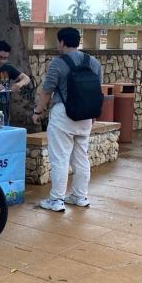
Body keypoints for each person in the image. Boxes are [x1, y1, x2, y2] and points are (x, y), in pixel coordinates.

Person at [32, 27, 102, 212]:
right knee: (81, 157)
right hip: (86, 115)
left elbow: (47, 90)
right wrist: (93, 114)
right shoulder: (93, 61)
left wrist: (38, 111)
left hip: (64, 114)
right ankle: (80, 196)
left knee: (60, 158)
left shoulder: (58, 62)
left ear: (62, 42)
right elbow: (97, 90)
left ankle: (56, 200)